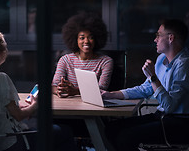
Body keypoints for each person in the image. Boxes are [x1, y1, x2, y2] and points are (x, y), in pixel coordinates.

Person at [0, 31, 77, 151]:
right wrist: (35, 105)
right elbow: (18, 116)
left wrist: (18, 107)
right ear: (3, 53)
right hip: (11, 140)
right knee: (65, 131)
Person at [102, 19, 189, 150]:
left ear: (171, 38)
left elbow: (170, 106)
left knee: (125, 137)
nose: (155, 40)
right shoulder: (161, 59)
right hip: (161, 117)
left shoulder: (184, 64)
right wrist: (112, 94)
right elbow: (145, 88)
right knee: (111, 128)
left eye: (158, 35)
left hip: (178, 122)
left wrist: (153, 77)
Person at [52, 12, 114, 97]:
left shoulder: (105, 62)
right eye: (82, 38)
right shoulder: (65, 60)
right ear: (75, 40)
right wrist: (59, 89)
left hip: (95, 104)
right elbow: (54, 85)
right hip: (70, 104)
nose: (86, 41)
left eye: (91, 37)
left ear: (97, 39)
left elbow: (102, 89)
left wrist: (75, 91)